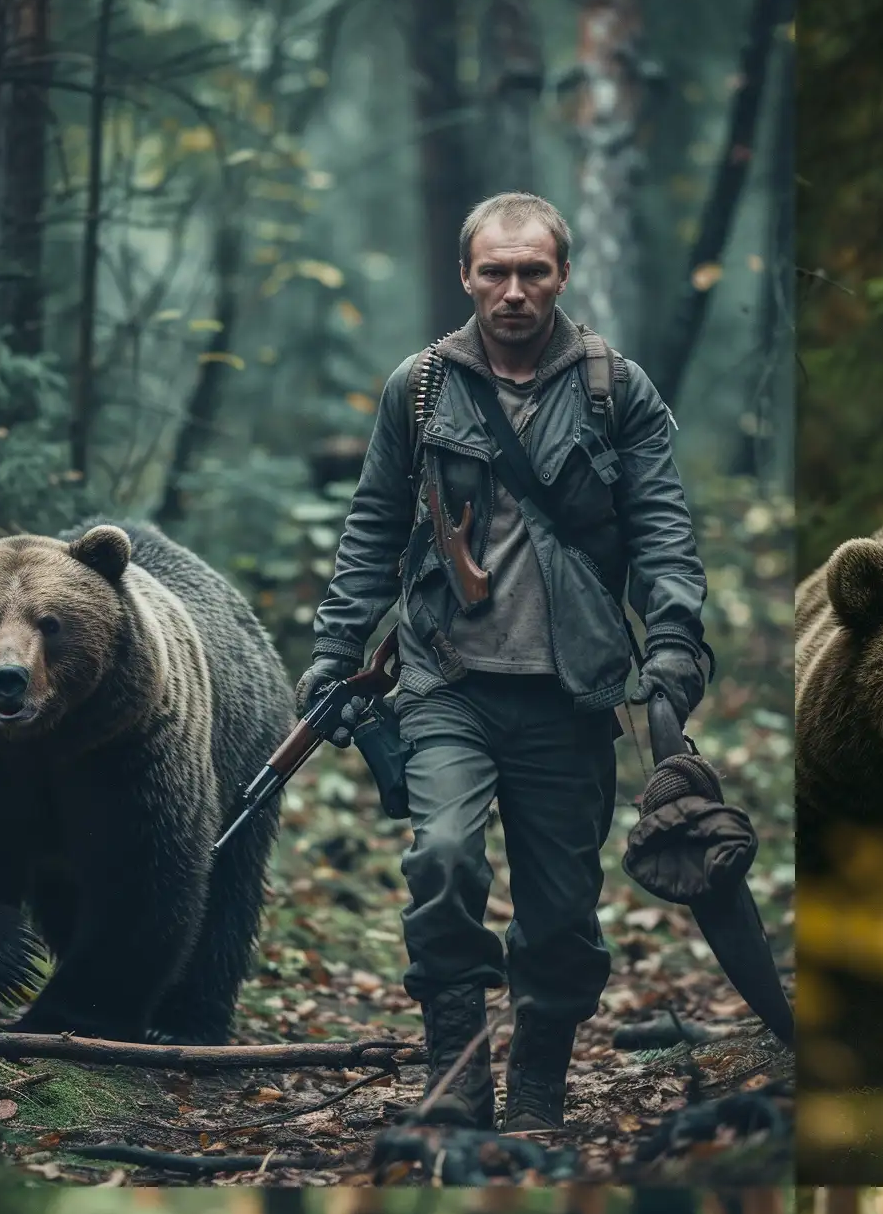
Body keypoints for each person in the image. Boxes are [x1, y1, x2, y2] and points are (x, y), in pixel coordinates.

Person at [299, 191, 711, 1134]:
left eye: (533, 271)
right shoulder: (421, 389)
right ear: (466, 276)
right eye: (495, 271)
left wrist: (678, 641)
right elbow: (371, 525)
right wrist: (336, 648)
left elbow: (663, 532)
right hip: (447, 678)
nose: (514, 290)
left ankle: (537, 1087)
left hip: (571, 695)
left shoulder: (616, 389)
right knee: (442, 859)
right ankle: (457, 1083)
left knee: (562, 919)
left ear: (562, 274)